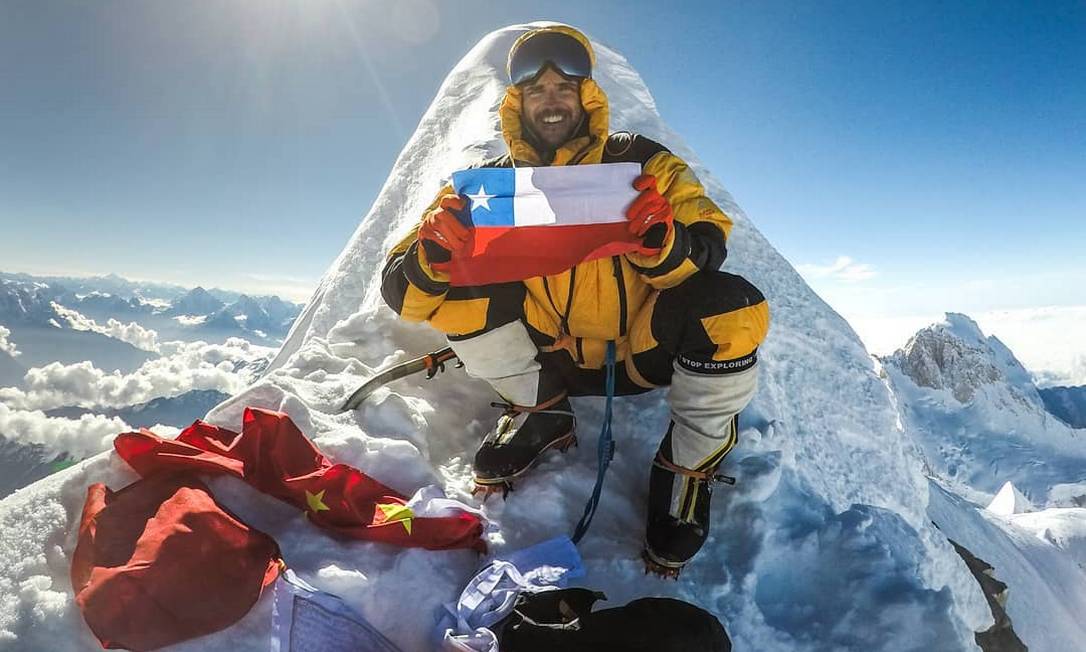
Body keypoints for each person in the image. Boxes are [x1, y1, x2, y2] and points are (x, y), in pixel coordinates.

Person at [381, 24, 770, 575]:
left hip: (638, 351)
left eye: (564, 87)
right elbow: (403, 286)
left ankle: (687, 465)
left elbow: (708, 241)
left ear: (587, 94)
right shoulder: (487, 187)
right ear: (518, 102)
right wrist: (435, 255)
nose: (551, 100)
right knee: (453, 287)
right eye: (537, 90)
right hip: (548, 357)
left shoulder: (641, 164)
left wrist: (664, 242)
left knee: (730, 307)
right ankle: (541, 412)